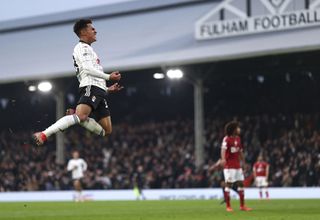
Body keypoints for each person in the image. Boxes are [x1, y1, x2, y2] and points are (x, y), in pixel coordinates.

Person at [32, 19, 123, 146]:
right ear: (83, 32)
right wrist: (108, 77)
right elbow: (87, 69)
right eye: (92, 29)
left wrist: (107, 89)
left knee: (107, 131)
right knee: (81, 116)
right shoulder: (82, 47)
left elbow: (93, 71)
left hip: (98, 90)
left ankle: (77, 116)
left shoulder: (89, 49)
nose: (95, 30)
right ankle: (44, 134)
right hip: (91, 87)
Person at [220, 121, 252, 212]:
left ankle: (242, 206)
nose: (239, 129)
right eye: (238, 128)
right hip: (229, 166)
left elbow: (240, 152)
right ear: (234, 129)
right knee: (229, 185)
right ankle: (228, 207)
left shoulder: (238, 139)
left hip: (237, 166)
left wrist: (244, 163)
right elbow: (223, 150)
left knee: (241, 184)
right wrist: (223, 159)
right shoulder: (226, 139)